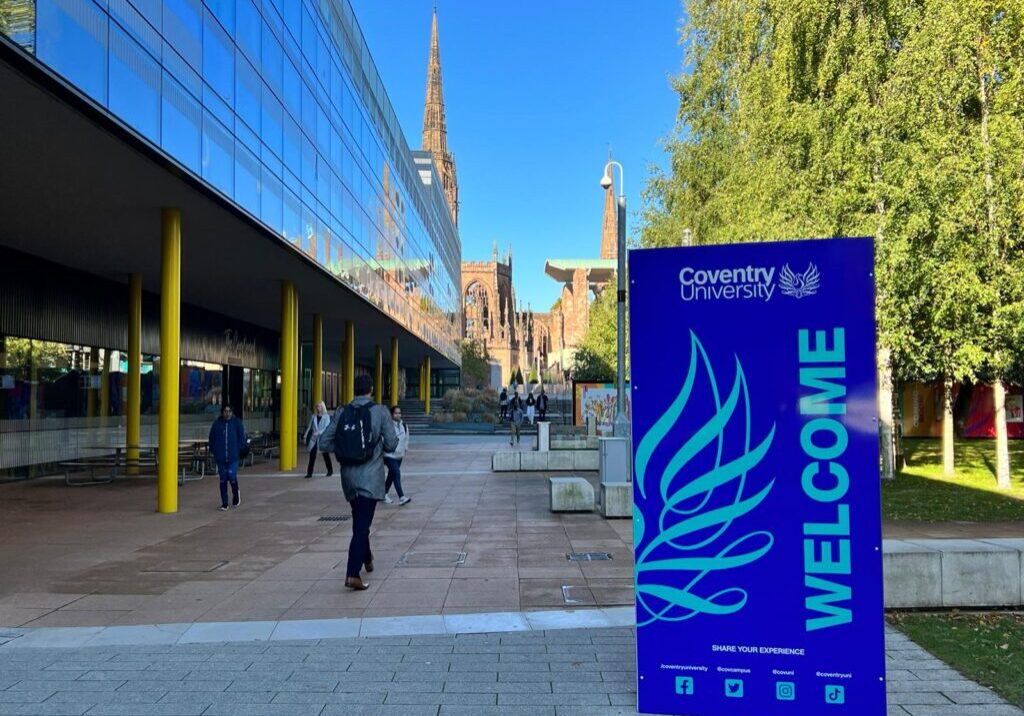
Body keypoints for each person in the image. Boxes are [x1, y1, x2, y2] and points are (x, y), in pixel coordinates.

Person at [339, 374, 398, 591]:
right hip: (370, 477)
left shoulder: (342, 411)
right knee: (362, 526)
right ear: (371, 389)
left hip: (348, 478)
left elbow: (325, 441)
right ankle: (352, 574)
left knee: (359, 521)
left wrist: (347, 449)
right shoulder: (380, 411)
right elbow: (391, 444)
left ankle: (367, 557)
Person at [208, 404, 246, 511]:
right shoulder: (217, 424)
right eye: (225, 411)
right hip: (221, 457)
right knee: (223, 479)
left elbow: (242, 438)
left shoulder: (237, 423)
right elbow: (212, 439)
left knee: (231, 475)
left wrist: (238, 450)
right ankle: (224, 503)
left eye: (229, 411)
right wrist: (215, 451)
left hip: (233, 456)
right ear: (222, 412)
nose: (227, 413)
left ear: (232, 412)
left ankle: (236, 493)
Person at [383, 405, 411, 505]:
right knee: (396, 474)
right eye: (395, 413)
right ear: (391, 414)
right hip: (389, 455)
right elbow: (383, 438)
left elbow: (406, 437)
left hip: (399, 455)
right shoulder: (388, 426)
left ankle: (383, 494)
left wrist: (405, 448)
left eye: (399, 413)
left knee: (392, 475)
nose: (398, 415)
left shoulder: (404, 425)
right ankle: (401, 497)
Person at [303, 401, 334, 479]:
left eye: (319, 406)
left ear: (322, 407)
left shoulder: (326, 417)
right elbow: (309, 426)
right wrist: (305, 435)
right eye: (316, 406)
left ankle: (330, 470)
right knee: (312, 455)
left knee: (325, 455)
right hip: (314, 438)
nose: (317, 408)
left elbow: (326, 427)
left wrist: (319, 432)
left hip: (322, 438)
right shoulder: (313, 416)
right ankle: (309, 473)